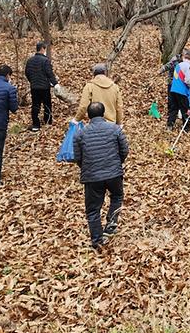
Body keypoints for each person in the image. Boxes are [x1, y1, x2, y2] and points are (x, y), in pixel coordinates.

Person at [72, 101, 129, 250]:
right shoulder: (115, 129)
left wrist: (87, 167)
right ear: (103, 114)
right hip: (113, 174)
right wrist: (117, 163)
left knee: (92, 209)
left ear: (88, 116)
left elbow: (77, 157)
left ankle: (97, 240)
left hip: (92, 176)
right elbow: (124, 150)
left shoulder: (80, 134)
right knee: (116, 197)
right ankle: (111, 225)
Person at [24, 41, 59, 132]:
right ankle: (48, 121)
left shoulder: (30, 60)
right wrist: (55, 83)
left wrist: (32, 81)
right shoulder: (45, 60)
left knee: (35, 105)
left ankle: (36, 124)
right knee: (47, 104)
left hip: (34, 87)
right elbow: (49, 73)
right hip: (44, 87)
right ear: (43, 49)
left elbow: (27, 73)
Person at [167, 52, 190, 130]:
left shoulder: (179, 65)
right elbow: (187, 80)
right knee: (185, 109)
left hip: (173, 90)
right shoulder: (188, 66)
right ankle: (186, 128)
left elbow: (180, 76)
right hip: (181, 91)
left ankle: (170, 125)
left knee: (173, 109)